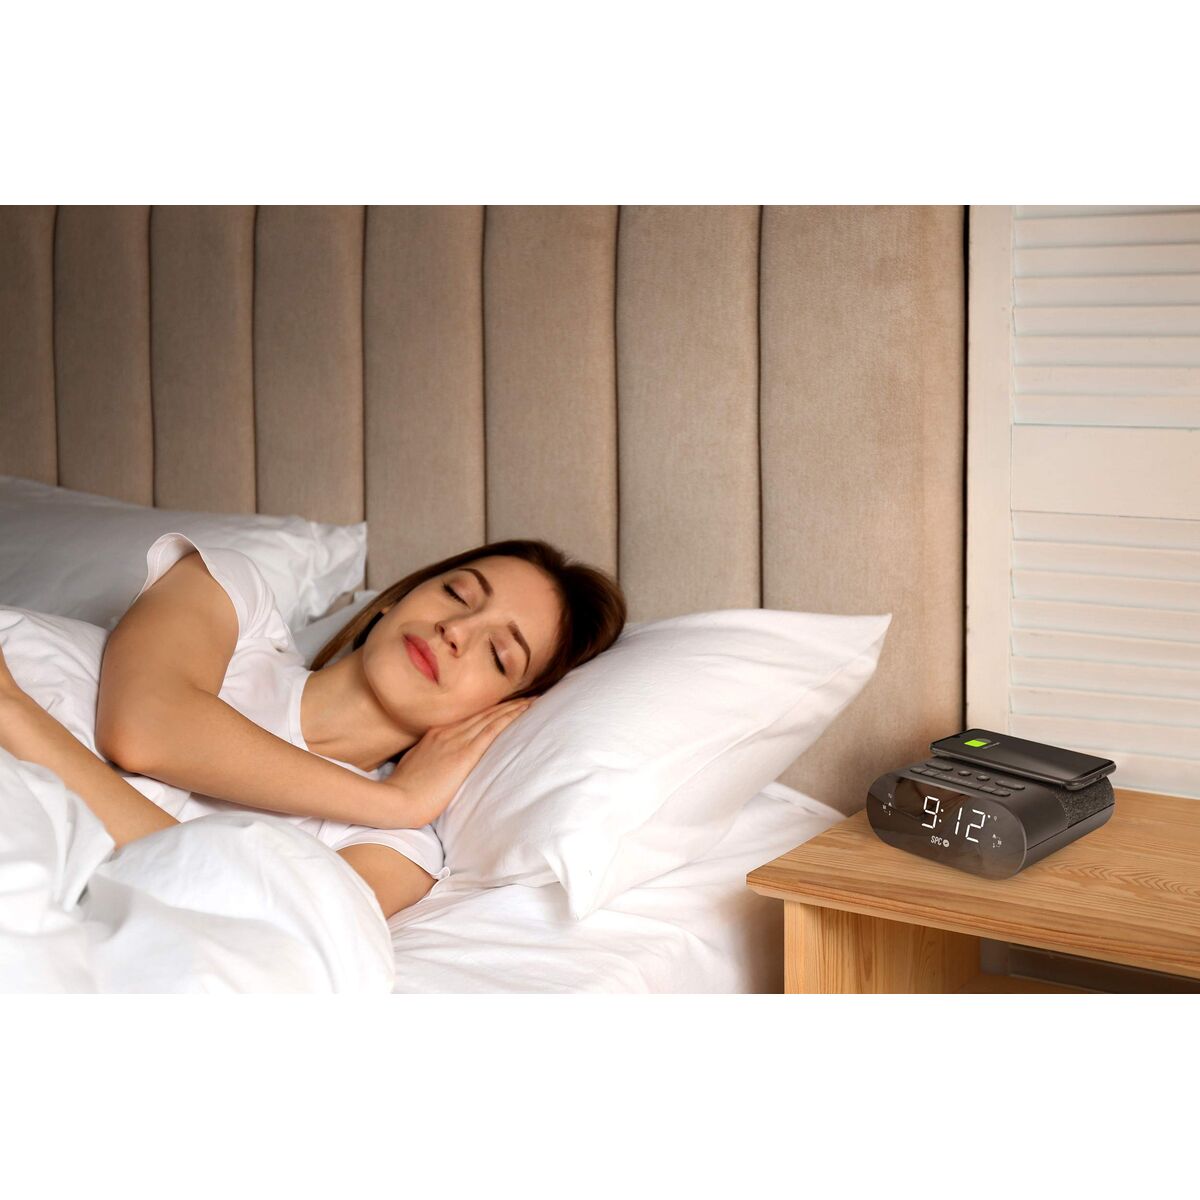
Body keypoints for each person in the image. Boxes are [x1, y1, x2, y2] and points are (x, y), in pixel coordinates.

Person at [0, 533, 627, 919]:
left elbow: (226, 908)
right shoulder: (236, 601)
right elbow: (144, 728)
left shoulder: (395, 850)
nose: (456, 631)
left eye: (499, 655)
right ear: (394, 599)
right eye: (458, 595)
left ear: (500, 711)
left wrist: (13, 713)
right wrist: (393, 798)